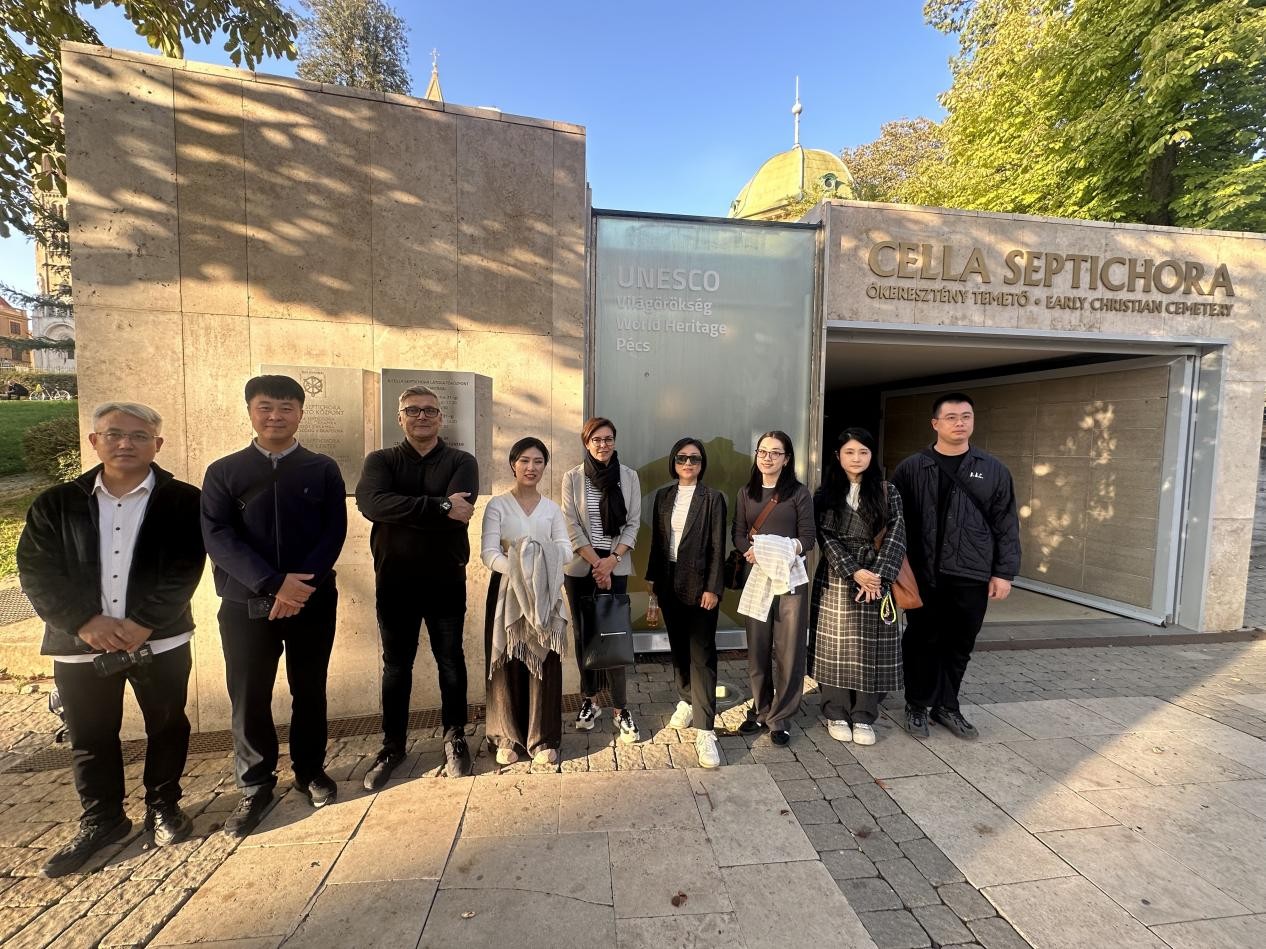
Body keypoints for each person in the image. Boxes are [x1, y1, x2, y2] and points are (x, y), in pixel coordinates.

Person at [18, 402, 204, 877]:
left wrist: (144, 621)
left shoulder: (183, 500)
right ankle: (102, 818)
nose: (126, 443)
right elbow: (37, 571)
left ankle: (163, 805)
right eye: (114, 434)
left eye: (139, 436)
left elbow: (186, 565)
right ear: (94, 441)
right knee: (90, 734)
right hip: (81, 645)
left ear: (157, 445)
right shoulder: (57, 503)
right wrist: (83, 622)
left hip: (159, 640)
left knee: (167, 724)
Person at [201, 375, 347, 838]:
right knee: (249, 693)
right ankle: (255, 783)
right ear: (250, 411)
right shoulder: (224, 471)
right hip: (245, 602)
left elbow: (333, 531)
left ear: (300, 413)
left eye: (286, 408)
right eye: (266, 407)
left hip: (311, 600)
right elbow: (217, 536)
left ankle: (310, 770)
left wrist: (299, 588)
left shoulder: (322, 468)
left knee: (310, 688)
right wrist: (272, 583)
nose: (276, 416)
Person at [356, 385, 479, 786]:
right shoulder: (381, 461)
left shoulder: (462, 461)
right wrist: (439, 505)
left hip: (446, 580)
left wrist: (402, 510)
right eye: (413, 410)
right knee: (396, 667)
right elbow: (371, 504)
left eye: (429, 410)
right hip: (395, 582)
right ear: (400, 418)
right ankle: (393, 745)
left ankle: (455, 735)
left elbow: (462, 512)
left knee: (451, 662)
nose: (422, 416)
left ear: (441, 418)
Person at [891, 392, 1020, 740]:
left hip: (971, 575)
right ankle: (917, 704)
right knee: (921, 640)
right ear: (935, 424)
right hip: (924, 574)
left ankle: (947, 705)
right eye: (951, 417)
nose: (959, 423)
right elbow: (894, 521)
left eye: (966, 416)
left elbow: (1006, 523)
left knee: (960, 643)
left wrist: (1003, 573)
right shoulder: (912, 468)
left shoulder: (993, 469)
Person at [809, 428, 907, 746]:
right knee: (835, 646)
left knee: (870, 649)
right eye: (849, 452)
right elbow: (825, 536)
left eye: (863, 452)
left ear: (871, 455)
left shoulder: (888, 491)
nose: (856, 458)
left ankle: (864, 714)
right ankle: (835, 711)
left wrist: (878, 575)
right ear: (838, 456)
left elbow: (897, 533)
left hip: (877, 578)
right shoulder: (824, 493)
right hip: (838, 576)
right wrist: (854, 572)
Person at [480, 437, 570, 767]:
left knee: (544, 662)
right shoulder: (498, 506)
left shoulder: (552, 509)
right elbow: (489, 552)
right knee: (506, 662)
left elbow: (565, 549)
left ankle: (543, 737)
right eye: (524, 461)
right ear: (513, 465)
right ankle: (506, 737)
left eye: (538, 461)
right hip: (506, 592)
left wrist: (537, 563)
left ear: (544, 467)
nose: (531, 467)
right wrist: (519, 571)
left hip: (545, 592)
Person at [645, 437, 727, 767]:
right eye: (682, 458)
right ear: (673, 462)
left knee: (702, 654)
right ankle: (686, 700)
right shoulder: (664, 496)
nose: (688, 463)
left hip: (700, 586)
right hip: (668, 582)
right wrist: (652, 579)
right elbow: (658, 541)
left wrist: (713, 588)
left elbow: (718, 547)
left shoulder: (713, 498)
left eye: (694, 458)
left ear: (702, 463)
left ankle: (706, 730)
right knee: (678, 648)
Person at [561, 417, 642, 742]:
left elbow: (633, 523)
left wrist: (611, 562)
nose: (603, 444)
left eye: (608, 438)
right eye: (596, 439)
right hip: (583, 567)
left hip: (615, 564)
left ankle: (621, 708)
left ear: (615, 441)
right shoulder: (572, 478)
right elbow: (571, 525)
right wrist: (597, 563)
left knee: (614, 634)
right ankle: (590, 700)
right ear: (586, 442)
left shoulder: (629, 477)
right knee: (584, 636)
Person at [733, 431, 816, 746]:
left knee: (789, 649)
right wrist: (752, 552)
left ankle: (781, 717)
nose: (768, 458)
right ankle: (760, 708)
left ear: (787, 458)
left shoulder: (799, 493)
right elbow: (738, 533)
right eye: (763, 452)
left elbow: (807, 538)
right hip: (757, 576)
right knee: (757, 647)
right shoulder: (746, 492)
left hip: (790, 580)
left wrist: (773, 551)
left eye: (775, 453)